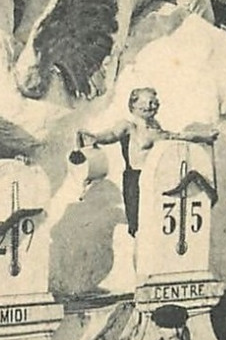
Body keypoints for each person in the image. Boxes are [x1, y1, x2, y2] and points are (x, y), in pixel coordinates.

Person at [78, 86, 216, 238]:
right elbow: (111, 134)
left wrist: (204, 137)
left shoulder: (156, 129)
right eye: (147, 102)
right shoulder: (128, 127)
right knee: (139, 227)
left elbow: (179, 136)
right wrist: (95, 137)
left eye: (154, 102)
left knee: (155, 225)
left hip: (156, 180)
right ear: (134, 105)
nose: (151, 106)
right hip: (135, 179)